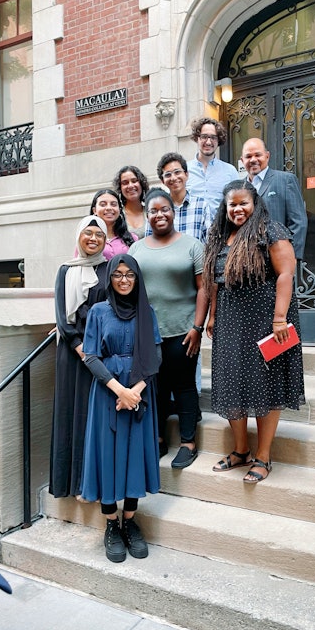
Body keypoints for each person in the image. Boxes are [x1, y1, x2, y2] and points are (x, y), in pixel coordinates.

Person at [203, 181, 305, 483]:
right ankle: (241, 450)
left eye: (243, 203)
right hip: (230, 321)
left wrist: (279, 319)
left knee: (265, 385)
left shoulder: (270, 230)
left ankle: (263, 456)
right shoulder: (221, 236)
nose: (237, 209)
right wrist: (212, 315)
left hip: (266, 319)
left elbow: (286, 274)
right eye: (231, 204)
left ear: (255, 202)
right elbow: (217, 281)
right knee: (232, 382)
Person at [80, 255, 162, 563]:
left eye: (130, 275)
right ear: (110, 279)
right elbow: (90, 356)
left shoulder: (147, 312)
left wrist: (136, 392)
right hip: (107, 394)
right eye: (118, 275)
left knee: (133, 456)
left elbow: (155, 355)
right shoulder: (99, 312)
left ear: (138, 279)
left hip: (140, 393)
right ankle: (111, 525)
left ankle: (130, 520)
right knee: (108, 456)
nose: (124, 280)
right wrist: (119, 390)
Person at [129, 188, 208, 468]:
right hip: (149, 334)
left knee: (184, 387)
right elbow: (129, 289)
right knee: (156, 388)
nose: (159, 215)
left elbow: (204, 289)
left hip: (184, 331)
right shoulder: (136, 249)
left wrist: (197, 327)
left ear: (173, 212)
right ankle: (159, 440)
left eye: (165, 209)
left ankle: (188, 442)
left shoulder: (192, 245)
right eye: (153, 211)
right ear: (147, 215)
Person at [50, 215, 108, 498]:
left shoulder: (110, 270)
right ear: (79, 237)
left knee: (91, 415)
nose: (93, 239)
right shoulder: (65, 270)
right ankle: (69, 484)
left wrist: (95, 351)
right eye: (88, 233)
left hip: (99, 353)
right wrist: (78, 346)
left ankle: (90, 484)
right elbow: (62, 315)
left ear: (105, 240)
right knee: (69, 413)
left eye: (99, 235)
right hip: (72, 354)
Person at [241, 138, 308, 260]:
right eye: (248, 156)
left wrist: (291, 258)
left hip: (277, 258)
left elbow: (298, 222)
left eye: (258, 155)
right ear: (242, 160)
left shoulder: (285, 180)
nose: (253, 160)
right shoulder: (239, 188)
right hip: (246, 261)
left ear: (267, 156)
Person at [145, 152, 211, 243]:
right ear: (162, 180)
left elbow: (209, 241)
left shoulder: (201, 205)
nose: (173, 178)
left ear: (186, 174)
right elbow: (149, 241)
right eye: (168, 174)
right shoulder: (156, 209)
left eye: (177, 172)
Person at [187, 118, 239, 220]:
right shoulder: (184, 170)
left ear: (218, 140)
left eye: (213, 137)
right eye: (204, 137)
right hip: (191, 232)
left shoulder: (230, 171)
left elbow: (238, 202)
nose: (209, 142)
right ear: (197, 138)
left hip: (221, 233)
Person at [90, 189, 137, 258]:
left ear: (120, 210)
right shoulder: (87, 239)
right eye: (103, 204)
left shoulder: (132, 238)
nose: (109, 208)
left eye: (113, 204)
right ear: (94, 210)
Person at [113, 165, 149, 239]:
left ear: (141, 184)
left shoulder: (151, 211)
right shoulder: (117, 215)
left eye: (134, 181)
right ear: (120, 188)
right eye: (125, 183)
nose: (130, 185)